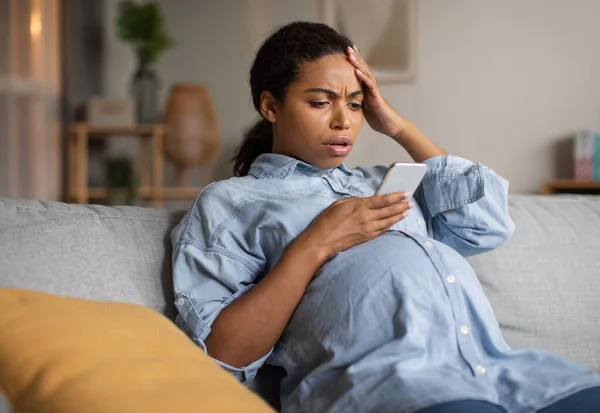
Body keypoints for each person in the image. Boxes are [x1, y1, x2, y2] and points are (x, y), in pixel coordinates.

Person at [171, 21, 600, 413]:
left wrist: (399, 127)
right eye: (320, 102)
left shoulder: (388, 182)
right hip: (394, 392)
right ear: (271, 106)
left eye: (356, 105)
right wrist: (316, 243)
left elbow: (489, 223)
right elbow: (219, 355)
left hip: (512, 376)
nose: (343, 121)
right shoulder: (233, 203)